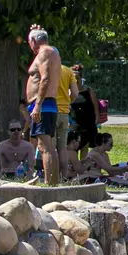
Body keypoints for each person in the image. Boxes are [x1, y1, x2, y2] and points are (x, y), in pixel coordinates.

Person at [23, 26, 63, 185]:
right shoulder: (53, 52)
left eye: (29, 42)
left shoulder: (44, 53)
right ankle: (53, 183)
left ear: (33, 41)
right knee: (49, 146)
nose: (29, 47)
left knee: (44, 146)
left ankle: (49, 184)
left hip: (43, 104)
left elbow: (45, 78)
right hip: (48, 103)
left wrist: (38, 105)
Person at [67, 68, 101, 159]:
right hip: (75, 123)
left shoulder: (88, 91)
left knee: (85, 145)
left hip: (88, 122)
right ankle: (74, 165)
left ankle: (83, 167)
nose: (76, 80)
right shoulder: (69, 93)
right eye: (73, 78)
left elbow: (95, 105)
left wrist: (97, 118)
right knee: (74, 145)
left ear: (81, 79)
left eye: (77, 78)